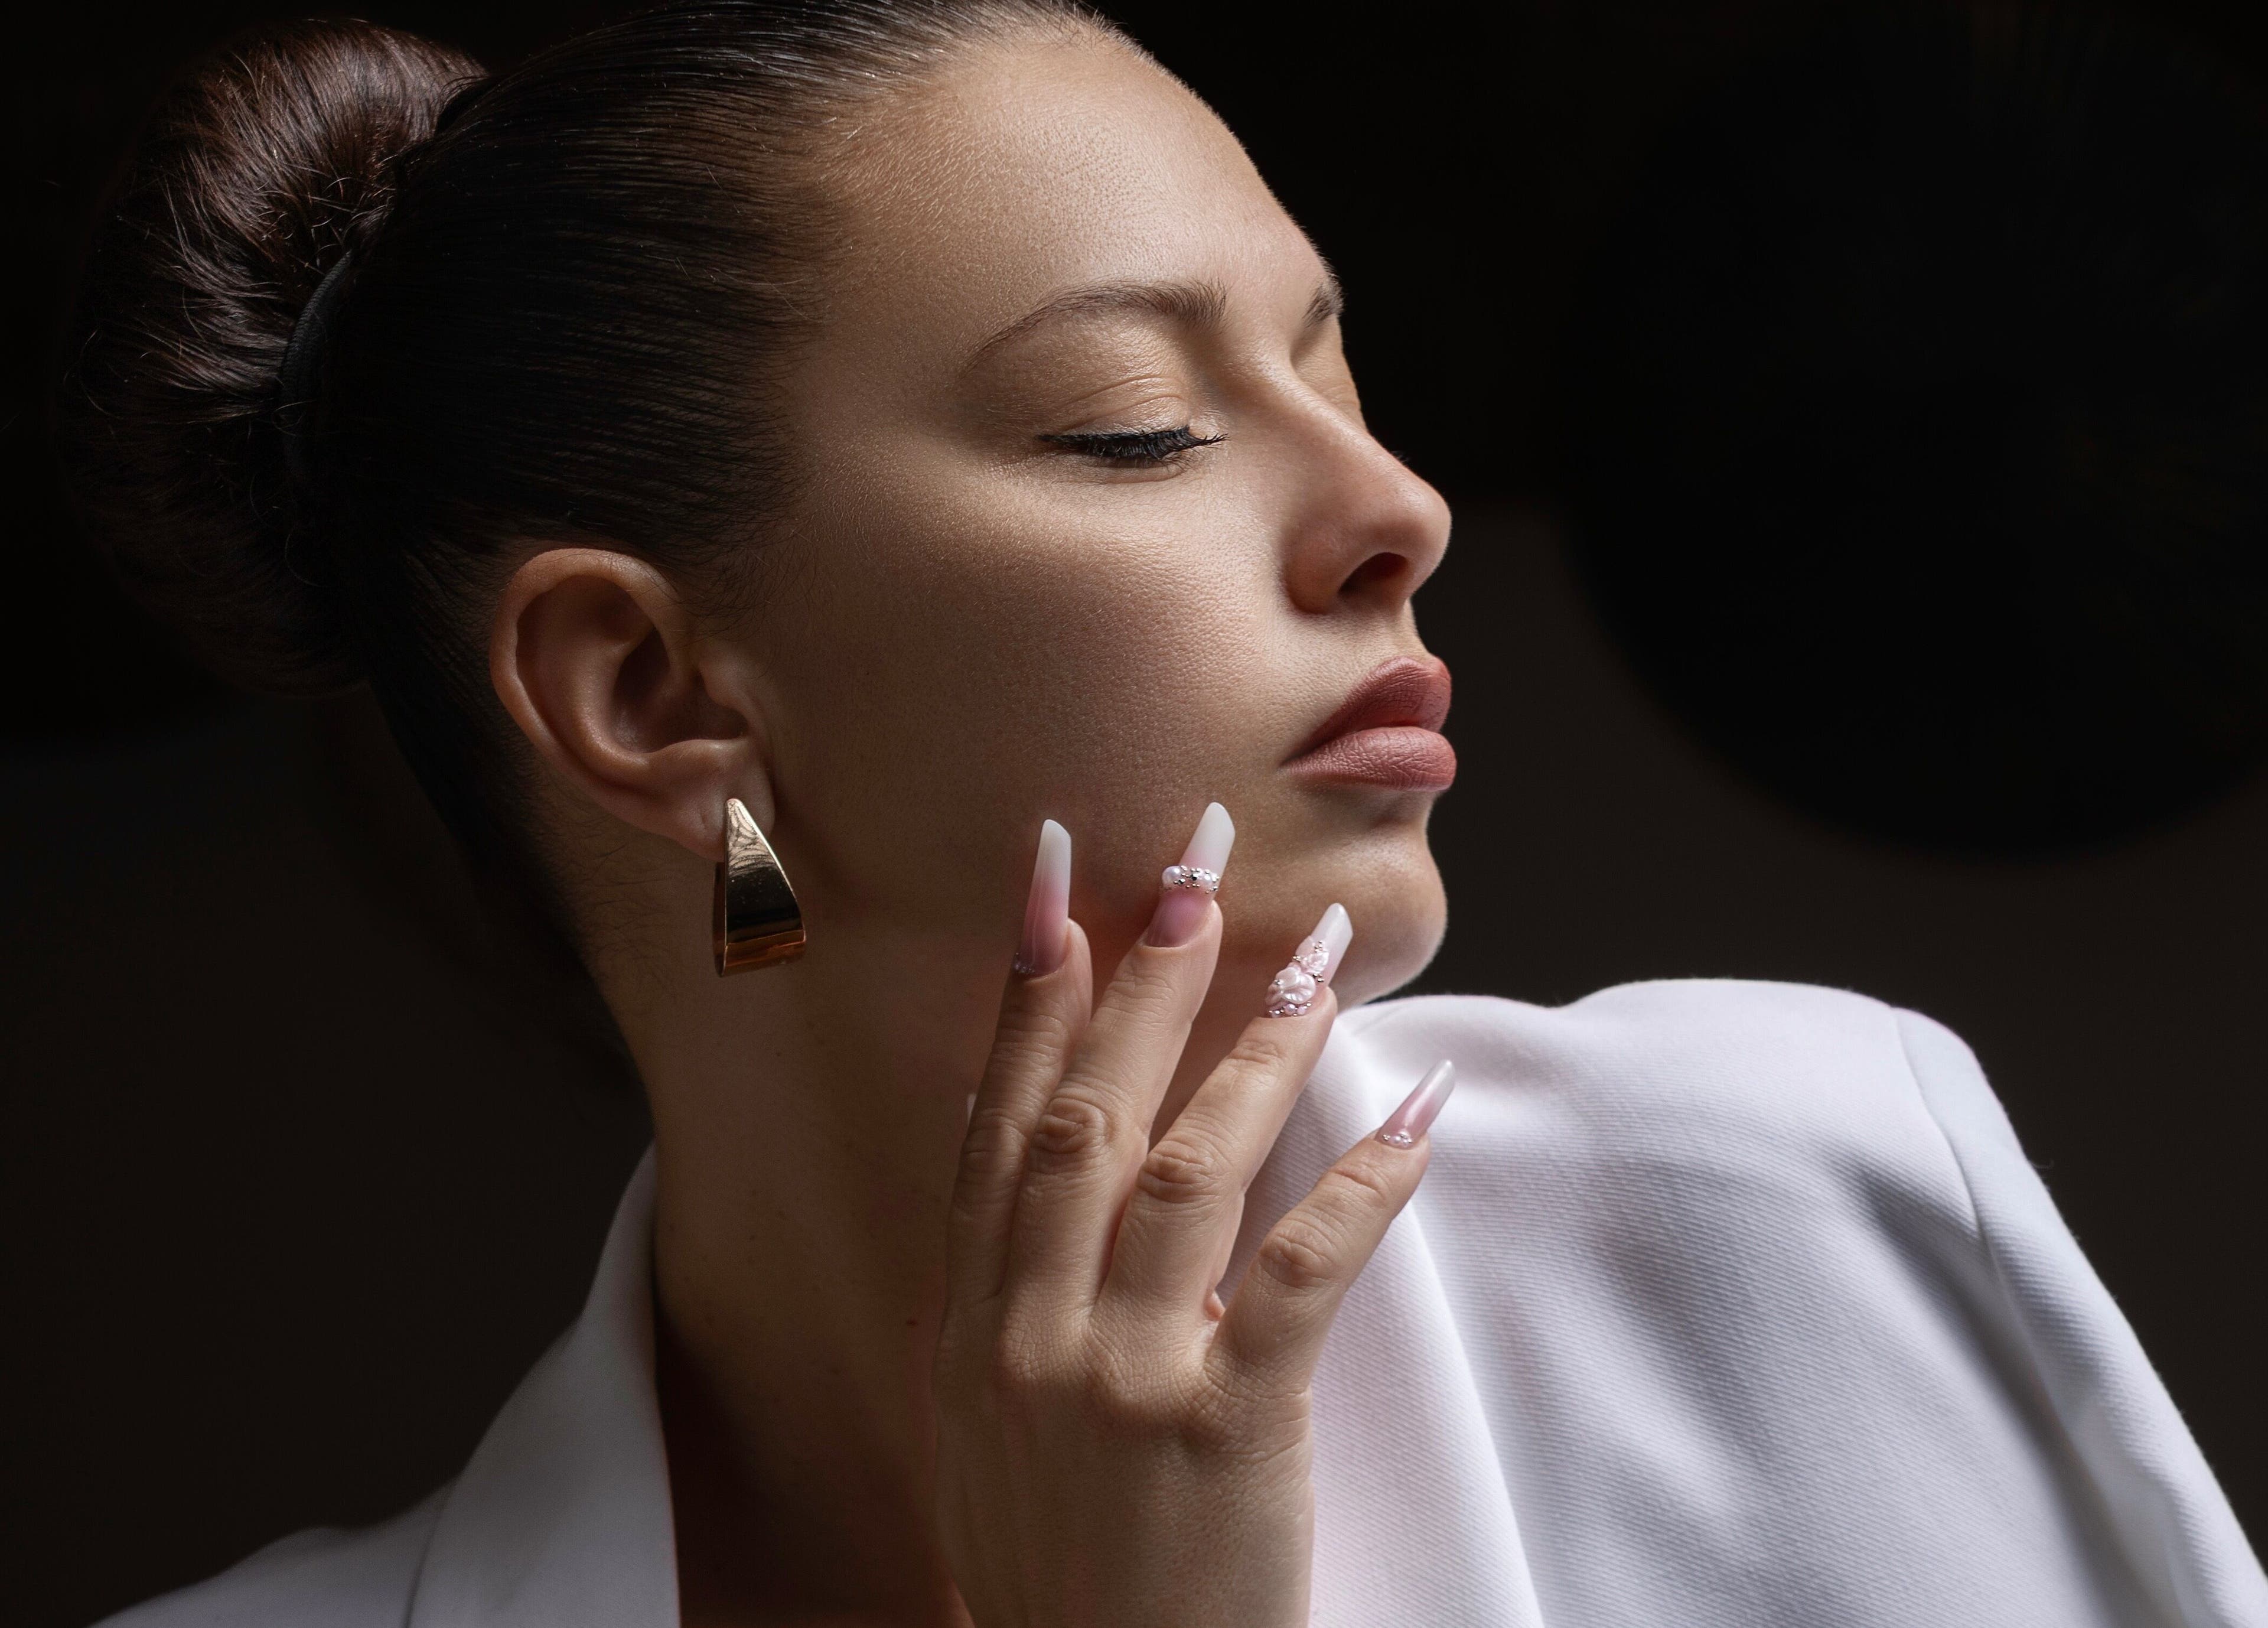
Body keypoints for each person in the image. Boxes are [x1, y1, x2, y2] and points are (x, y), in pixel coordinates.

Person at [59, 3, 2265, 1624]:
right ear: (648, 690)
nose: (1395, 513)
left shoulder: (1774, 1201)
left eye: (1340, 370)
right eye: (1138, 425)